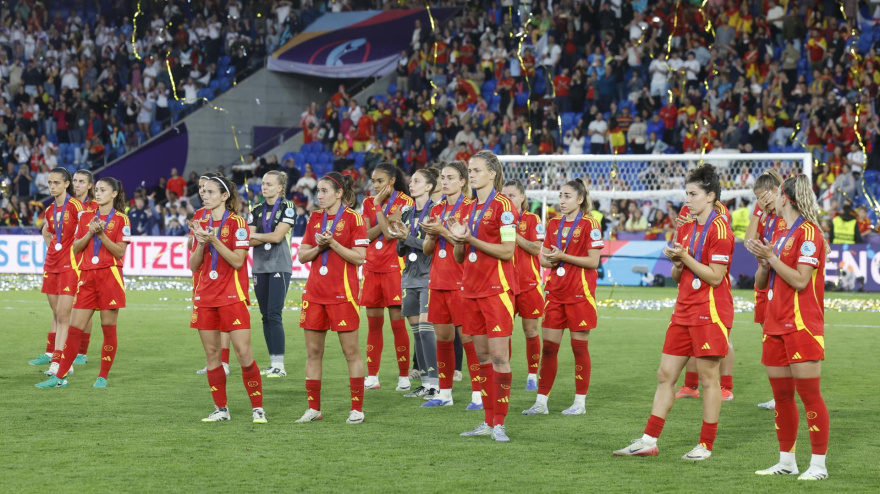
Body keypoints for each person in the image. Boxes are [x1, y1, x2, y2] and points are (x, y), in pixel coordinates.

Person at [614, 165, 734, 460]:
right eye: (687, 193)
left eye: (693, 194)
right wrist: (678, 262)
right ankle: (648, 440)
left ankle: (705, 444)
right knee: (665, 374)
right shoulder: (685, 226)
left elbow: (716, 276)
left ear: (710, 196)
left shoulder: (721, 229)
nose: (688, 200)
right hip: (683, 309)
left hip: (710, 312)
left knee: (708, 379)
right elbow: (678, 276)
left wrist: (685, 258)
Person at [745, 175, 829, 481]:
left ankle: (818, 465)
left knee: (809, 396)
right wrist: (764, 264)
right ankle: (787, 461)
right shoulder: (778, 236)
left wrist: (772, 258)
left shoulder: (809, 234)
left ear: (786, 199)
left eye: (778, 193)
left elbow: (800, 280)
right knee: (781, 397)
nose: (773, 198)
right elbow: (760, 283)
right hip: (775, 323)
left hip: (802, 325)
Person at [448, 150, 518, 442]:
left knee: (500, 356)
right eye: (470, 170)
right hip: (471, 290)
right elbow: (459, 255)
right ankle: (487, 422)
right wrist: (459, 241)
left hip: (497, 291)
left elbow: (508, 251)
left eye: (477, 170)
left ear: (492, 173)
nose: (472, 175)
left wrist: (471, 239)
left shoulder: (504, 206)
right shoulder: (465, 208)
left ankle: (499, 423)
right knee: (482, 357)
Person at [36, 178, 131, 388]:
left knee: (108, 329)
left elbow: (120, 252)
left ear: (114, 194)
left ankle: (102, 376)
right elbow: (76, 248)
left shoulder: (122, 219)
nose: (98, 193)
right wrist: (90, 231)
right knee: (74, 329)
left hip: (110, 277)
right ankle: (59, 377)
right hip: (87, 277)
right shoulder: (86, 216)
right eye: (96, 190)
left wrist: (102, 235)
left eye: (103, 190)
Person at [188, 176, 266, 423]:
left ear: (224, 197)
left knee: (244, 353)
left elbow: (238, 261)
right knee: (212, 355)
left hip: (232, 296)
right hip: (205, 296)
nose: (205, 196)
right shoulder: (201, 222)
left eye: (211, 192)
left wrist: (214, 240)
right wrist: (201, 243)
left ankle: (257, 408)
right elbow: (193, 266)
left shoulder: (238, 223)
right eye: (204, 192)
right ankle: (221, 409)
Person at [522, 178, 603, 416]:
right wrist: (551, 258)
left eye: (567, 196)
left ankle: (579, 403)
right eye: (560, 196)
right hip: (555, 292)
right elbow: (544, 258)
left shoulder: (590, 224)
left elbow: (593, 261)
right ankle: (541, 402)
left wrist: (563, 257)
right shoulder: (554, 223)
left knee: (579, 348)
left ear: (580, 199)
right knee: (549, 348)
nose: (562, 200)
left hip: (580, 293)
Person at [295, 172, 368, 424]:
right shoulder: (314, 218)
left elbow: (360, 257)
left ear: (339, 193)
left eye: (325, 191)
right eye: (318, 191)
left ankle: (357, 408)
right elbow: (303, 256)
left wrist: (333, 244)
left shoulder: (353, 218)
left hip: (343, 295)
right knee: (313, 352)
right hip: (314, 294)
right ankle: (313, 409)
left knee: (351, 353)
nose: (320, 195)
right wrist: (319, 247)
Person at [420, 161, 483, 409]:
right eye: (442, 178)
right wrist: (432, 234)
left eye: (450, 178)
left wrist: (442, 231)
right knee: (443, 339)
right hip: (438, 281)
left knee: (468, 339)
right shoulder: (436, 209)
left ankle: (478, 395)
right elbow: (427, 250)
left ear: (463, 181)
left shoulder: (471, 208)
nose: (444, 182)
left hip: (462, 282)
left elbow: (468, 245)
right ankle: (445, 394)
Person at [361, 163, 414, 391]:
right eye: (373, 181)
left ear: (391, 181)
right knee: (374, 326)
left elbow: (393, 233)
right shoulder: (367, 202)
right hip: (372, 268)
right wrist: (386, 220)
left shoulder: (407, 202)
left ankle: (403, 376)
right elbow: (366, 234)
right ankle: (372, 376)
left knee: (397, 325)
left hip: (395, 268)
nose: (375, 185)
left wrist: (382, 221)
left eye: (380, 181)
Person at [30, 168, 84, 377]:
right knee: (57, 314)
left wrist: (74, 254)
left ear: (66, 184)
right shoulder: (50, 210)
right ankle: (64, 359)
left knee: (63, 316)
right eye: (50, 183)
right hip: (51, 265)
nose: (52, 186)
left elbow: (87, 232)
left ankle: (59, 360)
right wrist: (53, 248)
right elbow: (47, 231)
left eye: (56, 183)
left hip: (70, 266)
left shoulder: (76, 206)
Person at [394, 168, 439, 400]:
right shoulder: (407, 212)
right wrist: (401, 237)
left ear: (429, 187)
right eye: (411, 181)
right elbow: (401, 248)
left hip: (429, 276)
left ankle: (435, 383)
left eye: (417, 181)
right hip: (409, 276)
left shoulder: (435, 212)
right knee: (417, 334)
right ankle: (425, 382)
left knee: (425, 330)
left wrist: (406, 238)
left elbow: (428, 246)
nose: (411, 185)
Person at [248, 170, 297, 378]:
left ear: (279, 188)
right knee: (265, 316)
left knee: (274, 314)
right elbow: (246, 239)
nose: (264, 187)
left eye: (269, 184)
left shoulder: (288, 207)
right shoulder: (256, 209)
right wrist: (266, 236)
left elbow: (278, 237)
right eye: (263, 183)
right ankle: (273, 363)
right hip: (259, 266)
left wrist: (260, 236)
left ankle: (280, 365)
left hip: (280, 265)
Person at [501, 180, 543, 390]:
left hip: (529, 285)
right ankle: (504, 372)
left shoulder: (532, 219)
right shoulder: (497, 220)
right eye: (504, 195)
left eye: (512, 195)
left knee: (531, 331)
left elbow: (537, 249)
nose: (507, 199)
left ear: (522, 197)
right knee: (503, 333)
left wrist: (514, 235)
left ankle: (532, 375)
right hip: (504, 286)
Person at [191, 172, 232, 376]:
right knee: (206, 320)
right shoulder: (199, 214)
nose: (202, 192)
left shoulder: (228, 217)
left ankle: (223, 362)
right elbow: (193, 244)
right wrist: (196, 238)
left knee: (223, 320)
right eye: (200, 188)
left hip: (221, 273)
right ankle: (213, 361)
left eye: (206, 188)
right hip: (202, 272)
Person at [71, 170, 98, 364]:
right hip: (67, 262)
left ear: (90, 185)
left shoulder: (96, 206)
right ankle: (57, 350)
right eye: (74, 181)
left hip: (85, 262)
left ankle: (81, 352)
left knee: (84, 306)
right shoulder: (66, 204)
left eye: (82, 181)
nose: (77, 184)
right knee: (64, 310)